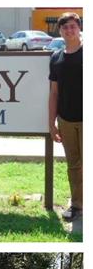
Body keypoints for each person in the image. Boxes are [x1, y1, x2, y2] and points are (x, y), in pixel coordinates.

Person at [48, 12, 83, 222]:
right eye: (65, 27)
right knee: (74, 165)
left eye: (72, 26)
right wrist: (51, 123)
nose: (69, 30)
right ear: (60, 31)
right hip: (66, 119)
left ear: (79, 28)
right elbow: (54, 93)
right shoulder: (56, 58)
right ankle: (77, 205)